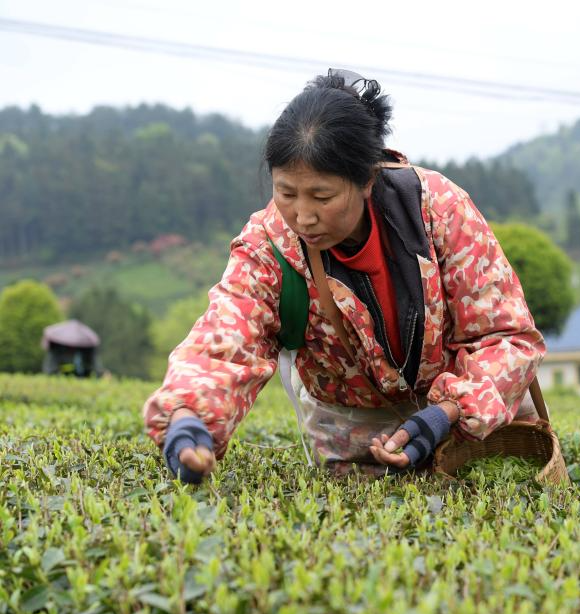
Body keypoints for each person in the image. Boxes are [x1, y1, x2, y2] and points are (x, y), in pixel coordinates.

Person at [143, 70, 545, 482]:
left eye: (323, 196)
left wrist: (447, 413)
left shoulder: (438, 211)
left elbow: (506, 336)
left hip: (466, 413)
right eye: (286, 193)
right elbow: (226, 338)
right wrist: (188, 418)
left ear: (367, 179)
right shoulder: (268, 246)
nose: (303, 216)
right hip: (354, 431)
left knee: (492, 486)